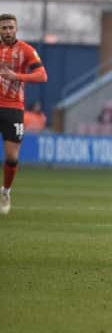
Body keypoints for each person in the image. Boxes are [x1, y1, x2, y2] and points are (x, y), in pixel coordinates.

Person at [0, 14, 48, 215]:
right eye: (4, 28)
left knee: (12, 157)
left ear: (16, 29)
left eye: (11, 27)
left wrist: (15, 75)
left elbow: (42, 76)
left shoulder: (26, 50)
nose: (8, 31)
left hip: (13, 107)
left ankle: (6, 191)